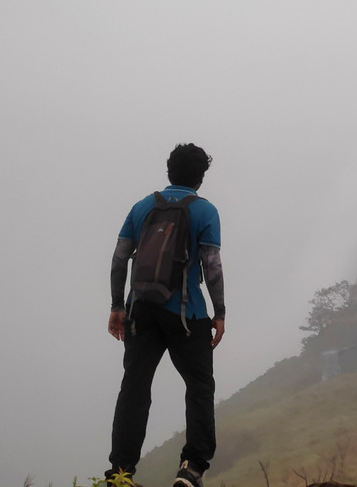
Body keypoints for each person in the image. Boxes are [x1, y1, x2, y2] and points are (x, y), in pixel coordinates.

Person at [106, 143, 226, 487]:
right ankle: (191, 468)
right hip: (187, 317)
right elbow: (212, 265)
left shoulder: (142, 206)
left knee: (135, 388)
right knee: (199, 386)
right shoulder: (205, 211)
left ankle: (120, 473)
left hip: (140, 312)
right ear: (200, 177)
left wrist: (117, 306)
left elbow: (119, 258)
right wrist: (219, 313)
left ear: (168, 170)